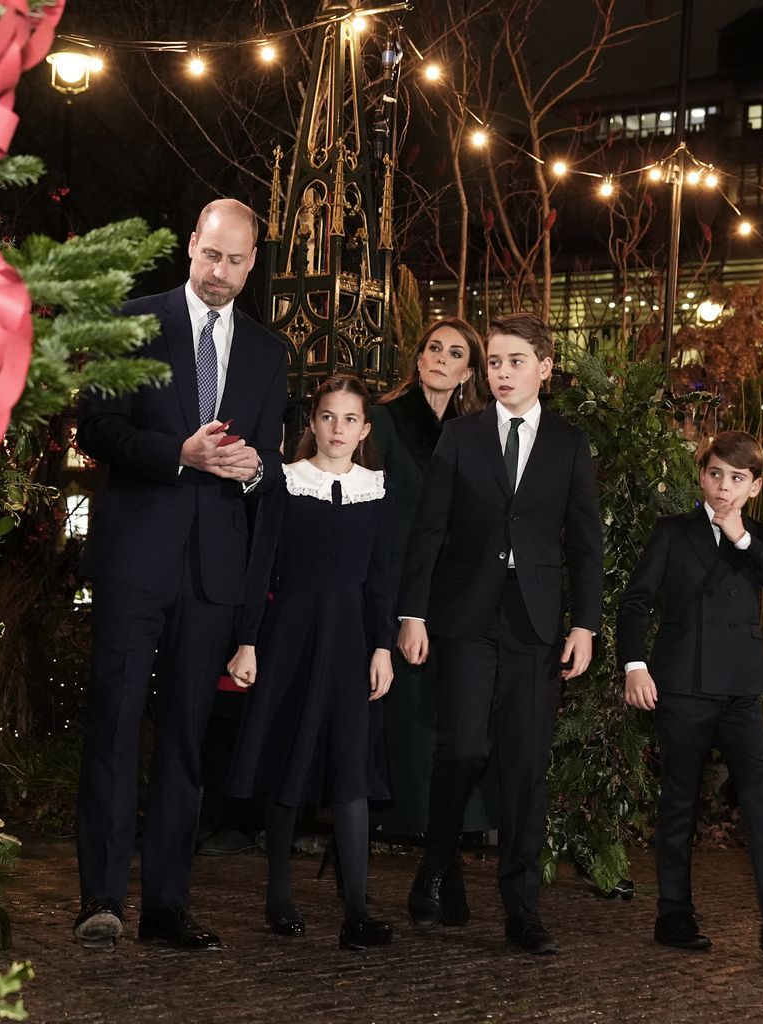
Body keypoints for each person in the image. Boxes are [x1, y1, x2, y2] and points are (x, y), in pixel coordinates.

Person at [73, 198, 287, 951]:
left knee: (187, 744)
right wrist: (179, 455)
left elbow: (266, 473)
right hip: (135, 561)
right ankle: (100, 898)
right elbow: (94, 429)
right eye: (210, 256)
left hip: (212, 574)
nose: (220, 273)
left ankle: (166, 905)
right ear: (191, 245)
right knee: (114, 725)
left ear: (253, 260)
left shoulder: (269, 352)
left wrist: (256, 469)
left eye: (235, 261)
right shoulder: (131, 320)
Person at [397, 311, 603, 955]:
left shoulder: (570, 444)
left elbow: (586, 544)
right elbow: (428, 529)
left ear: (544, 368)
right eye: (494, 363)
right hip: (464, 617)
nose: (503, 372)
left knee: (523, 766)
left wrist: (586, 625)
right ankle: (435, 868)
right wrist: (412, 613)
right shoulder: (460, 437)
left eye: (516, 361)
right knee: (460, 749)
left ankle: (522, 907)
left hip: (536, 623)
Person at [617, 430, 763, 954]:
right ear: (701, 476)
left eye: (737, 478)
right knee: (679, 800)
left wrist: (741, 538)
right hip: (681, 684)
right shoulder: (673, 532)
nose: (724, 486)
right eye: (715, 474)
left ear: (755, 486)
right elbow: (635, 602)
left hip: (741, 691)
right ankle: (674, 915)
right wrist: (634, 664)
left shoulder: (762, 539)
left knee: (761, 800)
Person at [226, 373, 396, 951]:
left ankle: (356, 911)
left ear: (365, 430)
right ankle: (279, 894)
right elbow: (260, 564)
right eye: (328, 417)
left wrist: (383, 647)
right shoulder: (286, 483)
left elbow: (381, 579)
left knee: (351, 768)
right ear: (313, 424)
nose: (338, 429)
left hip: (353, 643)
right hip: (291, 638)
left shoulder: (378, 489)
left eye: (350, 419)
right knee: (289, 760)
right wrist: (247, 639)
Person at [369, 319, 491, 903]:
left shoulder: (477, 432)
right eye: (433, 349)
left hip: (465, 599)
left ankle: (443, 867)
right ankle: (442, 869)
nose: (441, 359)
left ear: (470, 371)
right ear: (417, 359)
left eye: (456, 353)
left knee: (461, 731)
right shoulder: (387, 421)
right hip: (403, 592)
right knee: (420, 735)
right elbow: (376, 512)